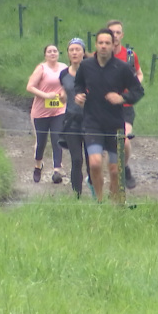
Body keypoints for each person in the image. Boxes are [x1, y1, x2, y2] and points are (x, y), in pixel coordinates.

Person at [74, 28, 144, 203]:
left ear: (114, 45)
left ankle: (115, 204)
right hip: (92, 123)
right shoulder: (86, 66)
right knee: (95, 163)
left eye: (107, 43)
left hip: (115, 124)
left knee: (114, 170)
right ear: (96, 45)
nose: (104, 46)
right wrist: (79, 95)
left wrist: (122, 98)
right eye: (100, 43)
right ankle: (99, 202)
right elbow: (78, 85)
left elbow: (138, 91)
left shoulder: (122, 68)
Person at [106, 19, 144, 189]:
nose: (115, 35)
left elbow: (139, 74)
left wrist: (134, 88)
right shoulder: (101, 55)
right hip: (105, 108)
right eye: (112, 32)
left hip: (126, 107)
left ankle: (125, 168)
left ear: (122, 34)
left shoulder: (130, 55)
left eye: (118, 32)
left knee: (125, 141)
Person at [26, 44, 67, 184]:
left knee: (57, 139)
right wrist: (45, 95)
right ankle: (38, 165)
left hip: (59, 109)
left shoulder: (64, 68)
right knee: (41, 142)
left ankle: (57, 171)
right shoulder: (41, 69)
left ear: (58, 54)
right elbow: (30, 86)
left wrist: (64, 93)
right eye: (49, 51)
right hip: (41, 111)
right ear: (45, 55)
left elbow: (68, 84)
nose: (52, 53)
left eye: (55, 51)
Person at [58, 38, 87, 197]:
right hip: (71, 121)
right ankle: (77, 196)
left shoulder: (91, 71)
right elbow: (64, 90)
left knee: (92, 162)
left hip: (90, 121)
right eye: (72, 50)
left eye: (78, 49)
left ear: (83, 52)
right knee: (76, 160)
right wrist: (63, 95)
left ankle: (97, 196)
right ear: (68, 53)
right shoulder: (63, 74)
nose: (75, 53)